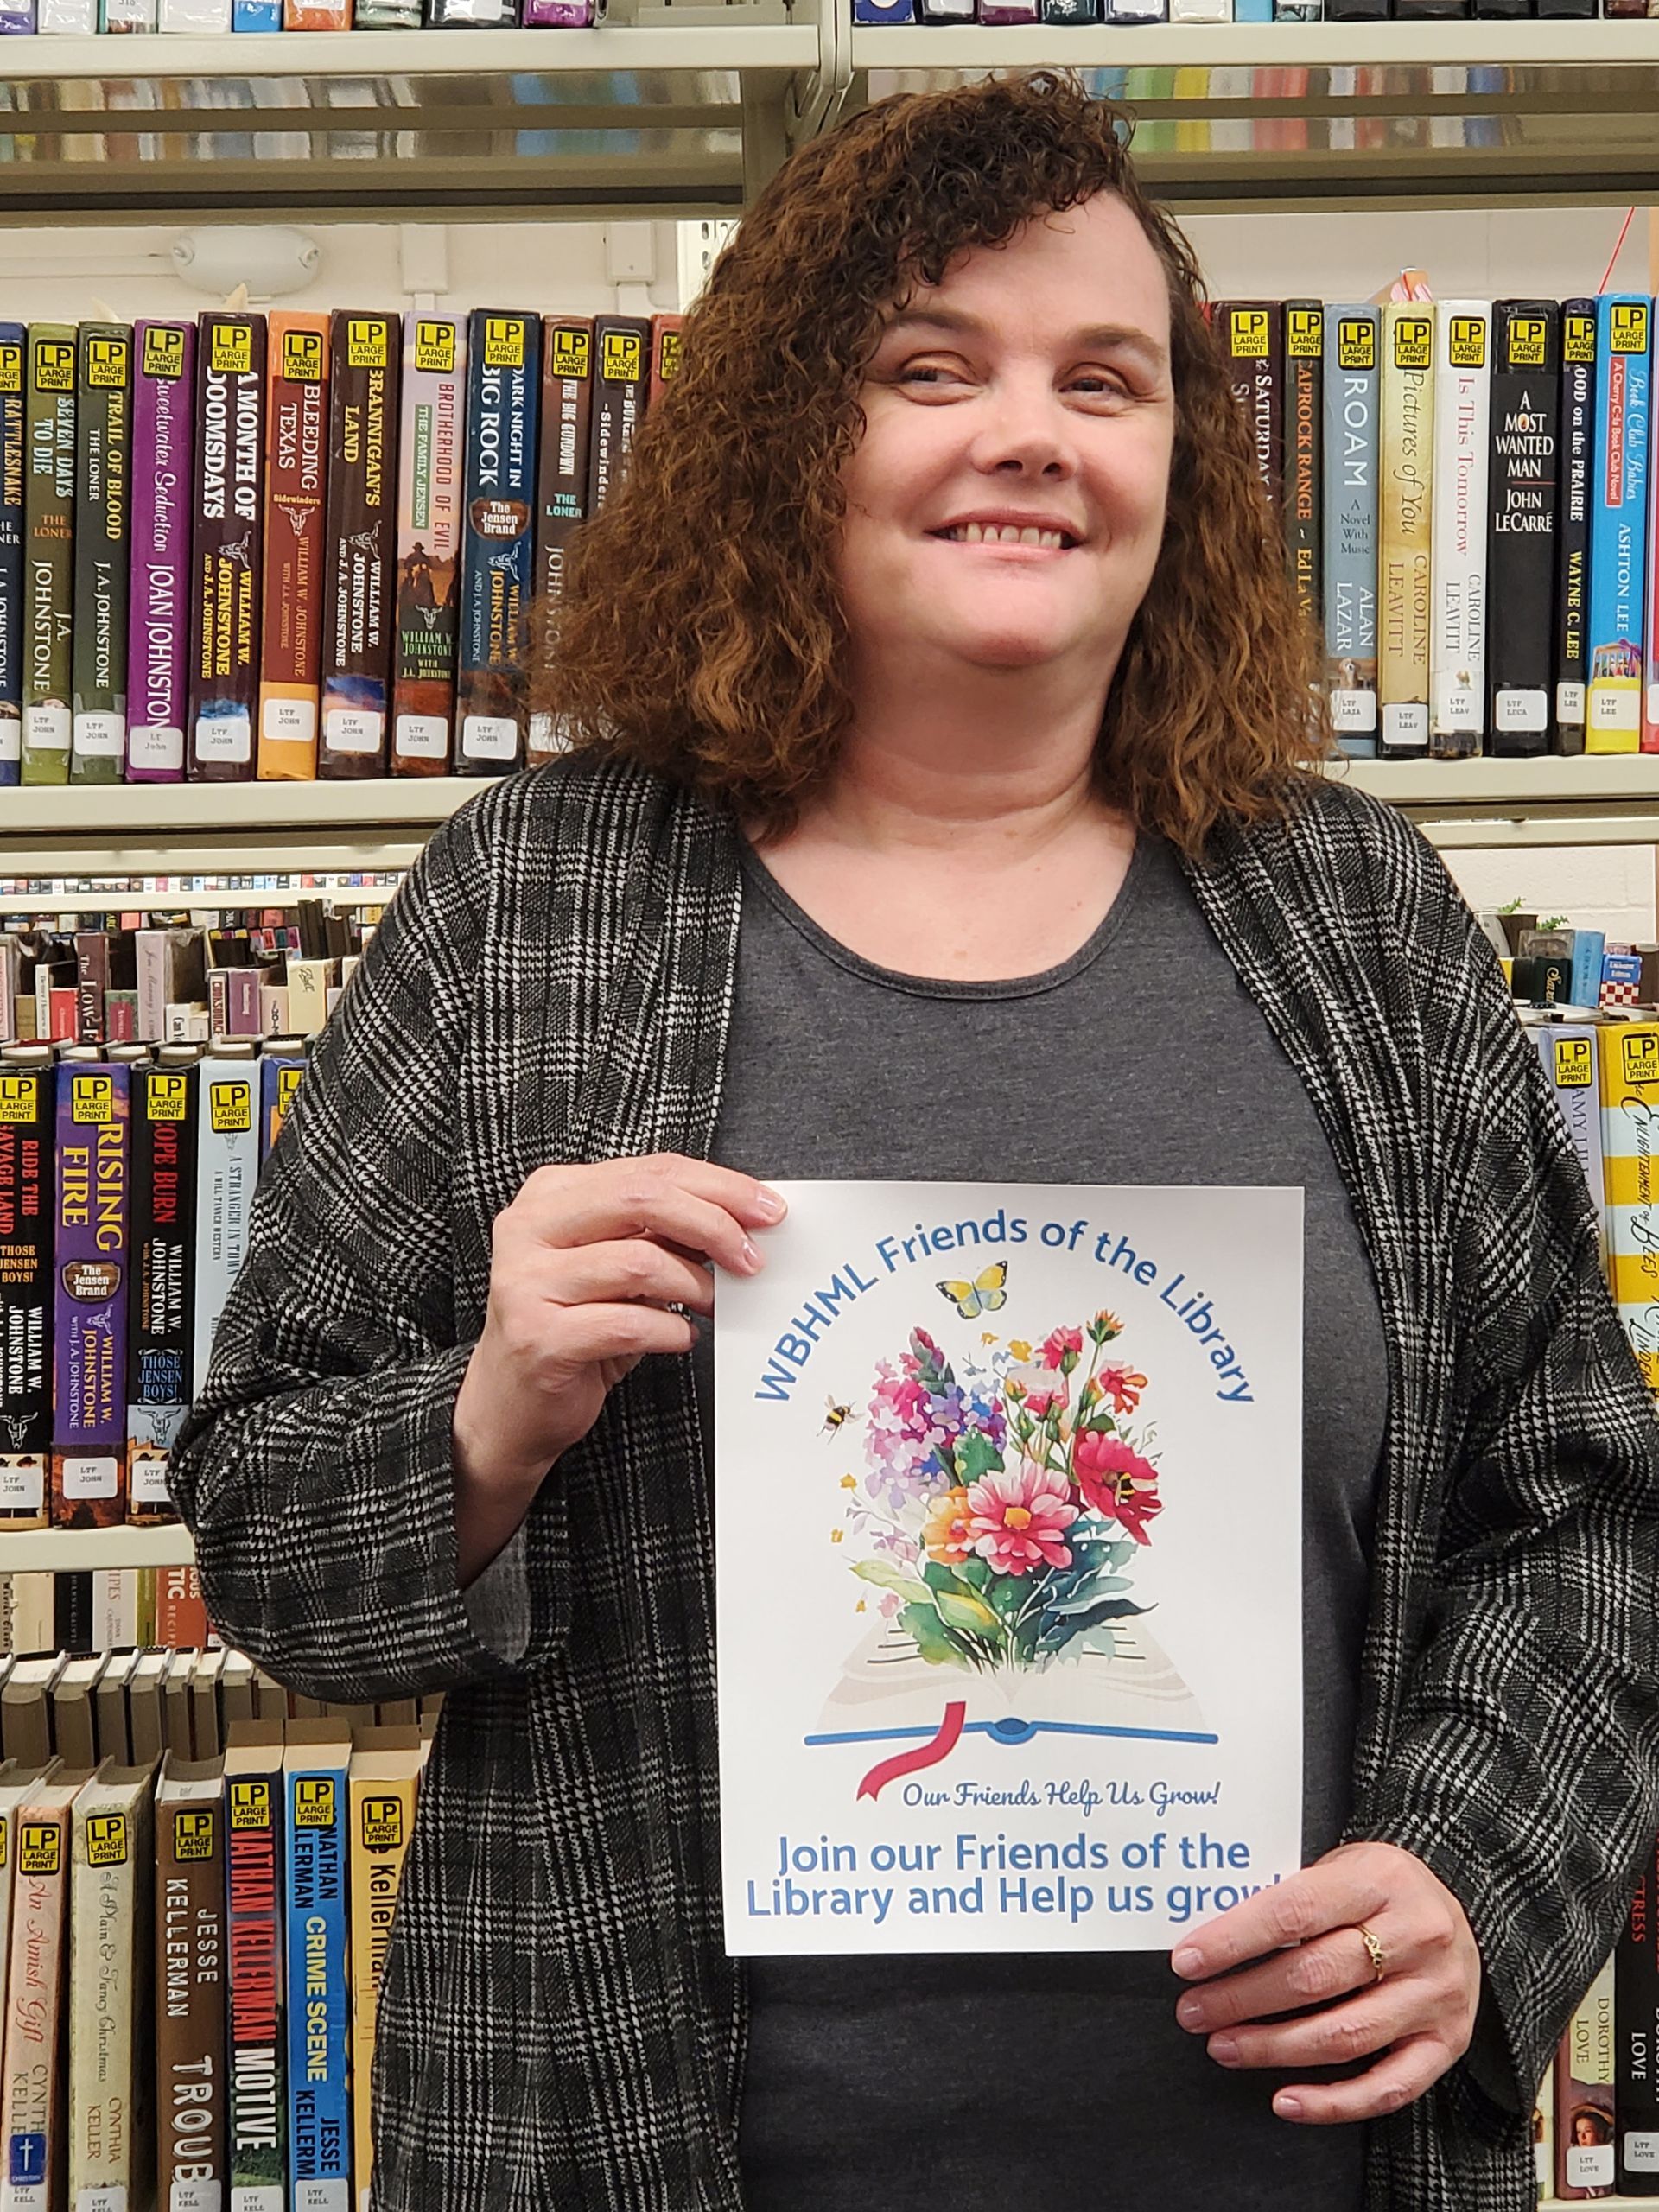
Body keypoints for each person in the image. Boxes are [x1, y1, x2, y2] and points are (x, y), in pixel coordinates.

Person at [170, 68, 1659, 2212]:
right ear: (794, 438)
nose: (1028, 433)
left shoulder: (1359, 915)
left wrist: (1474, 1874)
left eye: (1104, 378)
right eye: (928, 369)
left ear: (1180, 465)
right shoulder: (535, 904)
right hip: (636, 2144)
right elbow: (262, 1540)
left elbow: (1585, 1500)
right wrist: (487, 1418)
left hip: (1287, 2167)